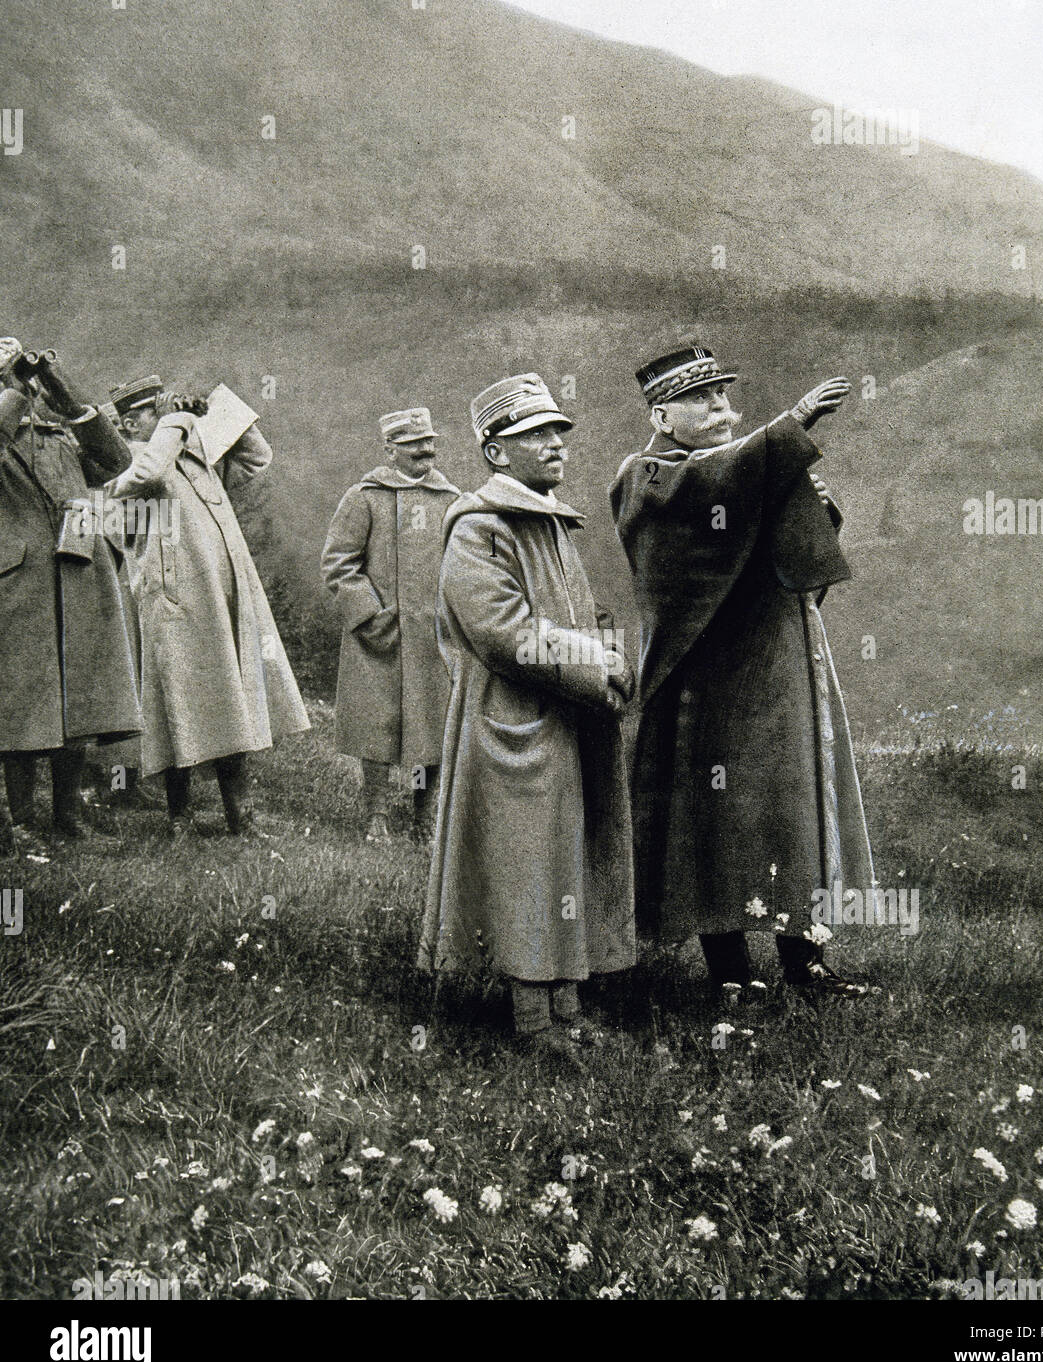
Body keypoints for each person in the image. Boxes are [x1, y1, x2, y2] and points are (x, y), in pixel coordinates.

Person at [610, 344, 874, 996]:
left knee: (793, 806)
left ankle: (804, 963)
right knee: (713, 815)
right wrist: (791, 427)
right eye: (701, 399)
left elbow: (798, 555)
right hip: (705, 678)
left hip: (781, 665)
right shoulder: (647, 478)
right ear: (661, 415)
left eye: (725, 395)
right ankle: (729, 973)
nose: (722, 408)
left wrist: (808, 500)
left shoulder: (745, 465)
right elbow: (706, 487)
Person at [418, 373, 635, 1064]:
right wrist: (596, 662)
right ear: (494, 453)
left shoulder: (549, 519)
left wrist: (608, 650)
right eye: (534, 434)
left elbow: (579, 613)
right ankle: (530, 1020)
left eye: (556, 432)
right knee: (526, 867)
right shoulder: (477, 529)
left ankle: (567, 1007)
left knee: (565, 858)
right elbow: (502, 633)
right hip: (511, 725)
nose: (554, 445)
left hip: (566, 719)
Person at [108, 376, 310, 835]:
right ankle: (180, 819)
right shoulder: (124, 466)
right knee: (178, 705)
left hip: (220, 598)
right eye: (147, 414)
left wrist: (215, 408)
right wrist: (176, 420)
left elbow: (258, 458)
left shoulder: (187, 453)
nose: (159, 419)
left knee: (229, 703)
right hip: (173, 602)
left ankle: (241, 816)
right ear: (126, 424)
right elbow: (150, 474)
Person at [0, 337, 141, 839]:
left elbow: (117, 460)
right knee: (21, 705)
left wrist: (69, 399)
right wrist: (13, 392)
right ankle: (22, 821)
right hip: (18, 588)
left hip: (78, 575)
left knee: (77, 700)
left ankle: (67, 817)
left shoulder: (55, 436)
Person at [321, 407, 459, 840]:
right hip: (377, 635)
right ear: (390, 449)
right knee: (376, 726)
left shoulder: (452, 500)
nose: (426, 450)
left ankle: (424, 816)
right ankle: (376, 815)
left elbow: (465, 566)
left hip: (434, 637)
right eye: (414, 444)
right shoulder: (364, 497)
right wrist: (369, 616)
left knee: (430, 730)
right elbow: (339, 564)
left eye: (429, 442)